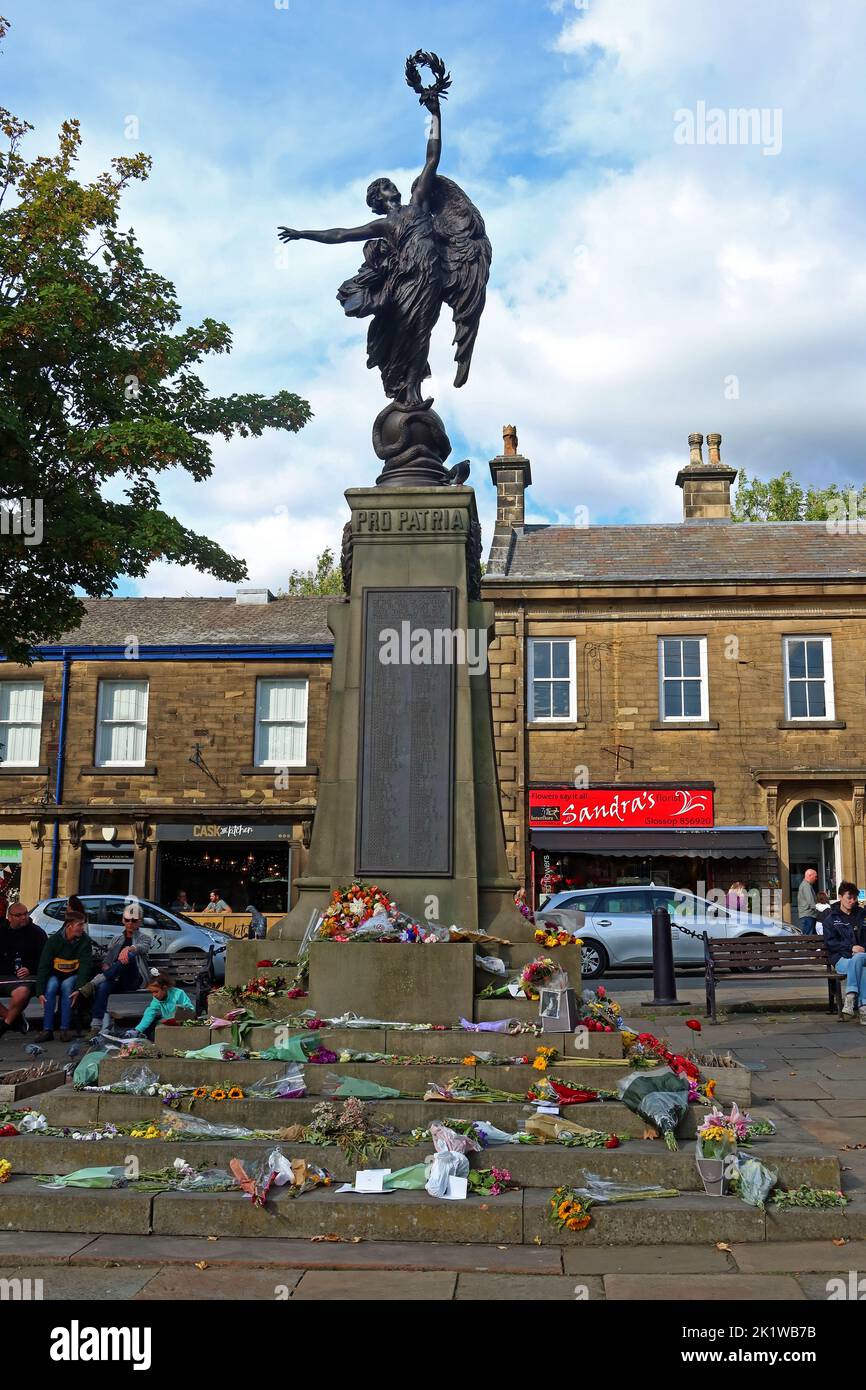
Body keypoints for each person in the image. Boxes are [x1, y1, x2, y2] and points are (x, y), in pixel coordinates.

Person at [79, 901, 152, 1034]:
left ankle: (92, 983)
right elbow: (107, 961)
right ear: (123, 920)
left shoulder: (144, 938)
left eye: (134, 920)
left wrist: (130, 949)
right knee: (103, 986)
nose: (130, 923)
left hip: (134, 979)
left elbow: (143, 948)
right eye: (127, 920)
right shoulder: (116, 940)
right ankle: (96, 1025)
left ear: (140, 922)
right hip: (115, 977)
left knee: (128, 956)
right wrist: (107, 966)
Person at [33, 910, 94, 1042]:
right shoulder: (54, 941)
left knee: (67, 987)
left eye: (83, 925)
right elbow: (43, 966)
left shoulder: (84, 941)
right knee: (51, 987)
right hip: (55, 974)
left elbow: (85, 966)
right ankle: (47, 1029)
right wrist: (39, 992)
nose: (82, 928)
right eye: (80, 925)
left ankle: (64, 1029)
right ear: (68, 926)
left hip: (73, 975)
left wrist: (79, 989)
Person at [0, 901, 46, 1037]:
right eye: (18, 915)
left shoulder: (37, 933)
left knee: (21, 993)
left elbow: (45, 960)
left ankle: (5, 1024)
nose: (23, 917)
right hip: (4, 975)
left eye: (25, 914)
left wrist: (30, 969)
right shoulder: (2, 931)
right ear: (10, 917)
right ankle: (16, 1019)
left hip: (27, 977)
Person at [822, 881, 866, 1021]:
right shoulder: (831, 918)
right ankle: (863, 1008)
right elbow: (831, 943)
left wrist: (861, 948)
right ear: (840, 897)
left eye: (855, 898)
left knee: (859, 959)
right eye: (849, 898)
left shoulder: (862, 915)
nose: (852, 901)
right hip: (841, 959)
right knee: (863, 969)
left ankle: (850, 997)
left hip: (862, 956)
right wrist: (851, 948)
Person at [133, 971, 194, 1040]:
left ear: (164, 988)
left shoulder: (178, 994)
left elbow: (190, 1009)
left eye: (156, 992)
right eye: (152, 992)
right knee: (150, 1031)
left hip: (181, 1024)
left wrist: (181, 1012)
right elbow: (150, 1012)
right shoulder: (157, 999)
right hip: (167, 1023)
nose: (154, 995)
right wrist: (138, 1029)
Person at [797, 868, 819, 935]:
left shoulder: (806, 885)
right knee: (808, 938)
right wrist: (819, 909)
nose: (816, 878)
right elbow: (811, 901)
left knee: (810, 936)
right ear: (810, 875)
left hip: (808, 915)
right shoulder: (806, 885)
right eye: (815, 876)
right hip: (808, 915)